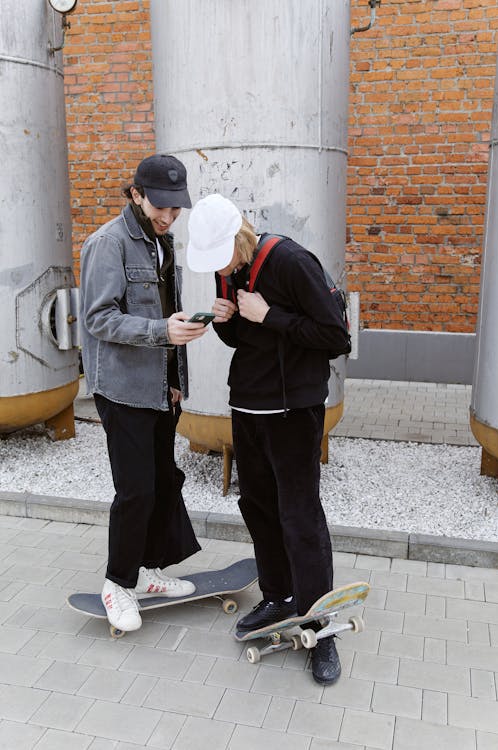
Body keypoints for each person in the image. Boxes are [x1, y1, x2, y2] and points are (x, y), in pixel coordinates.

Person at [186, 193, 351, 685]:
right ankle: (278, 597)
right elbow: (242, 342)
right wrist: (227, 322)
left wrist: (267, 315)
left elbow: (336, 337)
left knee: (299, 515)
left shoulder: (292, 261)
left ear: (240, 237)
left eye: (225, 258)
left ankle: (321, 625)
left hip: (294, 411)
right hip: (248, 407)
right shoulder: (226, 268)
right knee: (257, 507)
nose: (223, 270)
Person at [80, 154, 208, 633]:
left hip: (159, 389)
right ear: (135, 193)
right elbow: (98, 319)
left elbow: (168, 309)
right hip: (123, 390)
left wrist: (175, 379)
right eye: (161, 207)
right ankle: (117, 584)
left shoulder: (163, 241)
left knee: (160, 482)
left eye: (176, 209)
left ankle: (147, 572)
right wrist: (161, 332)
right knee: (134, 491)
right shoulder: (107, 244)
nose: (169, 217)